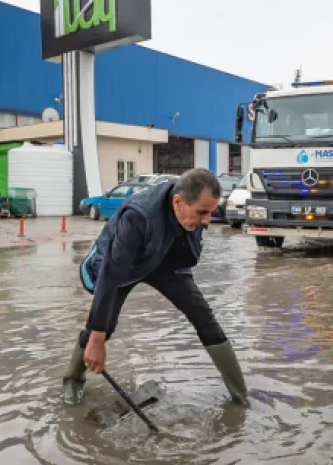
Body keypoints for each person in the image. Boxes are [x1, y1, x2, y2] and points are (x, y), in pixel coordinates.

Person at [61, 168, 250, 407]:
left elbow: (189, 246)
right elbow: (110, 274)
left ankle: (241, 395)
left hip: (166, 262)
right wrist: (97, 337)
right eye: (202, 213)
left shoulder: (194, 210)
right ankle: (72, 379)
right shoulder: (138, 216)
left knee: (203, 315)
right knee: (104, 326)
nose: (207, 221)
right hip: (125, 266)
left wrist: (198, 219)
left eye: (210, 212)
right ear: (178, 202)